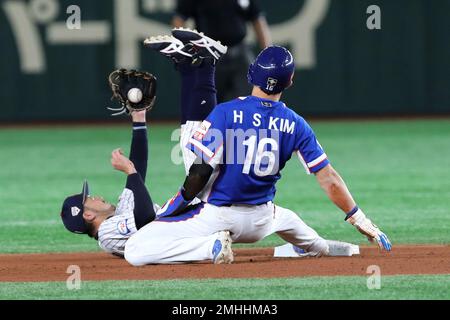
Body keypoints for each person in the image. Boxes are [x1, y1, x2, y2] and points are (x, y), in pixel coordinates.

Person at [123, 29, 392, 266]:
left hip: (219, 218)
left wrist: (178, 202)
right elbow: (328, 179)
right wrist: (358, 217)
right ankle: (330, 248)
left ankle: (210, 247)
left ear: (252, 73)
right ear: (290, 81)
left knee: (135, 249)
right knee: (306, 237)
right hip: (264, 219)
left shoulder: (225, 112)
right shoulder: (297, 124)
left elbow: (201, 171)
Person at [60, 110, 158, 257]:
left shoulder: (118, 215)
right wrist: (130, 171)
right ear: (88, 215)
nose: (98, 197)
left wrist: (138, 118)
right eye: (91, 199)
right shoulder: (106, 232)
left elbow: (138, 167)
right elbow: (146, 217)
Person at [172, 0, 271, 103]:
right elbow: (179, 19)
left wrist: (269, 54)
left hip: (240, 52)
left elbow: (258, 20)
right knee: (208, 100)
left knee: (249, 98)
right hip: (210, 54)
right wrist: (185, 50)